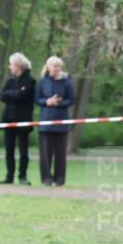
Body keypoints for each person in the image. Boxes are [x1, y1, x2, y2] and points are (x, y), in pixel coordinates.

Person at [35, 56, 75, 187]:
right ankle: (46, 178)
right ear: (48, 67)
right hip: (45, 122)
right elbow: (37, 99)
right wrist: (47, 102)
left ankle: (60, 179)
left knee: (60, 153)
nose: (57, 69)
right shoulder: (42, 82)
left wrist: (59, 103)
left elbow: (71, 99)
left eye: (58, 66)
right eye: (54, 66)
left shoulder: (67, 82)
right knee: (45, 154)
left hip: (61, 122)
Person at [0, 52, 35, 186]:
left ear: (18, 66)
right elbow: (2, 96)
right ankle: (9, 176)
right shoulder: (10, 80)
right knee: (9, 149)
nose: (10, 67)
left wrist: (12, 94)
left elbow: (23, 95)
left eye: (11, 64)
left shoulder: (30, 80)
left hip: (23, 119)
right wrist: (15, 93)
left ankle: (23, 176)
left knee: (23, 151)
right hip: (9, 119)